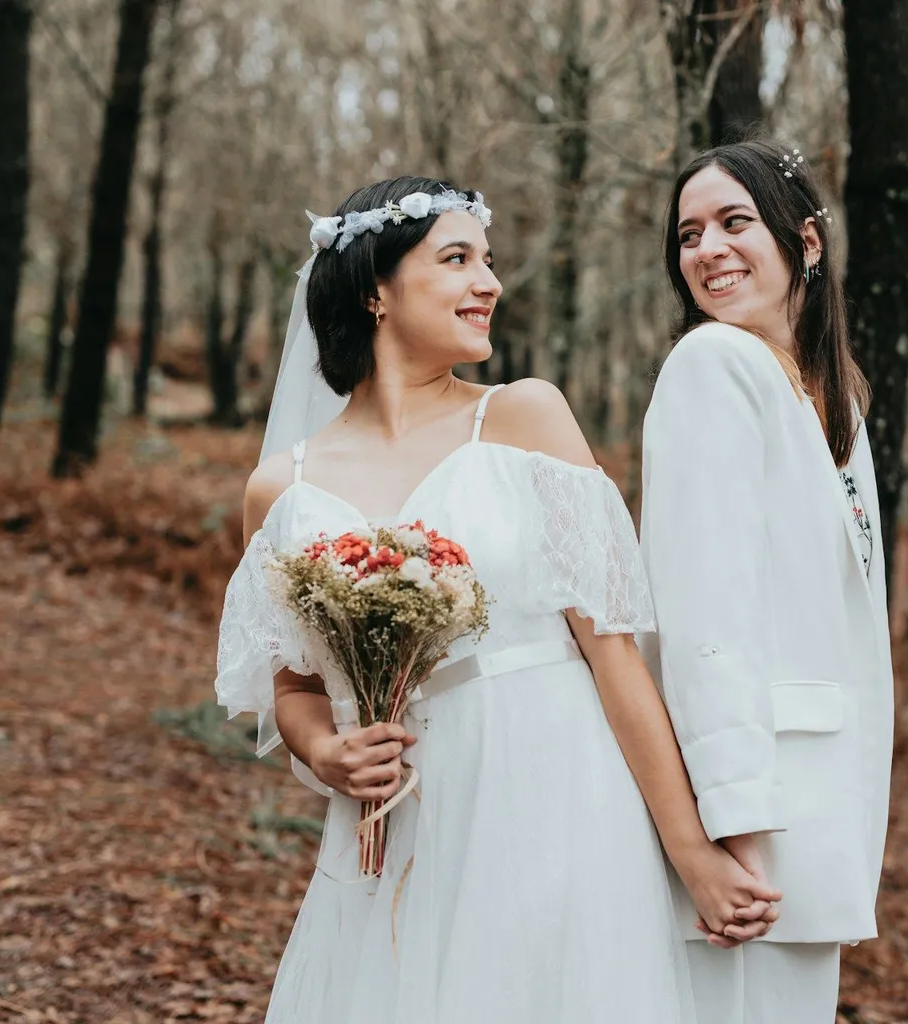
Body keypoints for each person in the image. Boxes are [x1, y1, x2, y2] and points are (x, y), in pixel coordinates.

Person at [214, 175, 778, 1024]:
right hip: (400, 827)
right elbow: (292, 688)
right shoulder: (279, 490)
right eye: (458, 259)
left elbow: (613, 653)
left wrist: (689, 849)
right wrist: (328, 755)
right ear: (375, 288)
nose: (491, 283)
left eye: (489, 261)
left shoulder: (525, 418)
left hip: (558, 797)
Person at [640, 140, 896, 1024]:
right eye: (689, 233)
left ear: (808, 243)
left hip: (817, 811)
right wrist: (729, 832)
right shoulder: (712, 366)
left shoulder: (833, 398)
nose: (708, 248)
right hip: (752, 832)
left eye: (734, 221)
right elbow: (704, 610)